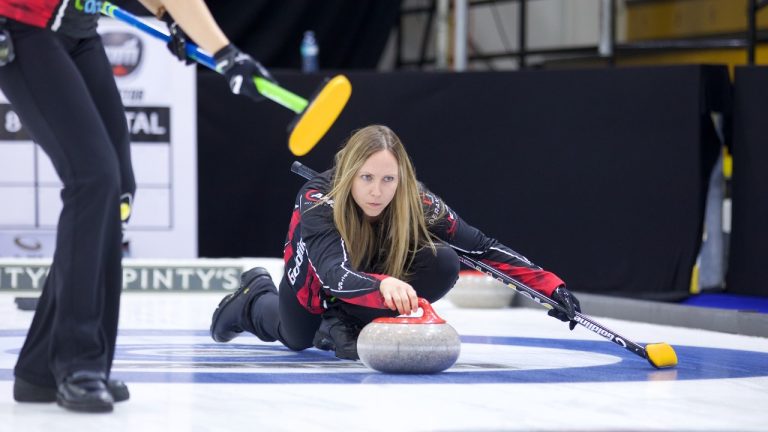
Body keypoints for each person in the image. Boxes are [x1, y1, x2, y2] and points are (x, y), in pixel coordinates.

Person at [0, 0, 272, 413]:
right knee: (92, 178)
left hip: (75, 27)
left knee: (117, 186)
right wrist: (223, 51)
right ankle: (77, 363)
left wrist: (169, 16)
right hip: (22, 26)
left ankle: (40, 369)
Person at [210, 125, 581, 360]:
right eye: (367, 177)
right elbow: (333, 274)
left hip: (366, 275)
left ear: (402, 177)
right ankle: (254, 298)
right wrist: (384, 284)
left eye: (388, 180)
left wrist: (549, 286)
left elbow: (480, 247)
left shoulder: (417, 200)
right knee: (296, 337)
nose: (377, 192)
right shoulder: (317, 200)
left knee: (443, 261)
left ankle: (343, 321)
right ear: (349, 173)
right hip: (318, 274)